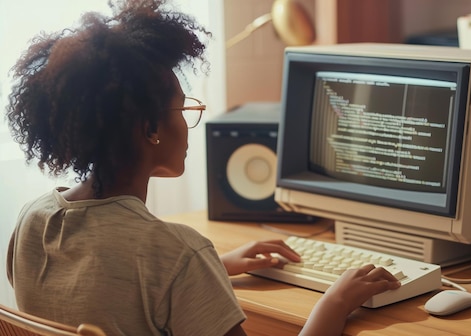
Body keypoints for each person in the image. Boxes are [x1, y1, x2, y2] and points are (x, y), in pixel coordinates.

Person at [4, 0, 401, 335]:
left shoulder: (33, 220)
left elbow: (97, 288)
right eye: (183, 107)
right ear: (151, 129)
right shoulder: (175, 252)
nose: (188, 121)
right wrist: (335, 302)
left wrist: (211, 267)